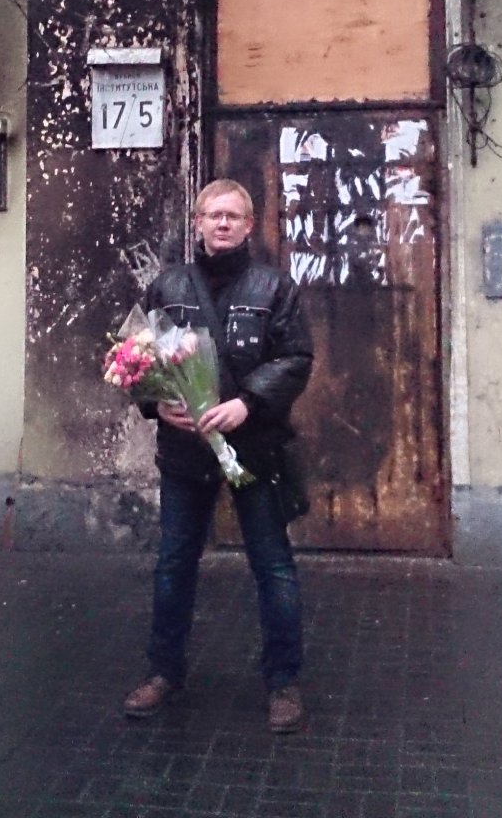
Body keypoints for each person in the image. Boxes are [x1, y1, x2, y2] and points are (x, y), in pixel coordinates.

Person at [122, 179, 315, 734]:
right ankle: (163, 671)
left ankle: (283, 682)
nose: (223, 223)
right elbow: (135, 357)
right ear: (198, 223)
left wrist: (247, 403)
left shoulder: (274, 288)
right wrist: (159, 406)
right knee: (174, 563)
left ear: (249, 225)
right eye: (213, 215)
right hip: (186, 449)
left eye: (233, 215)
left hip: (253, 447)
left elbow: (296, 357)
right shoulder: (168, 286)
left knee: (272, 566)